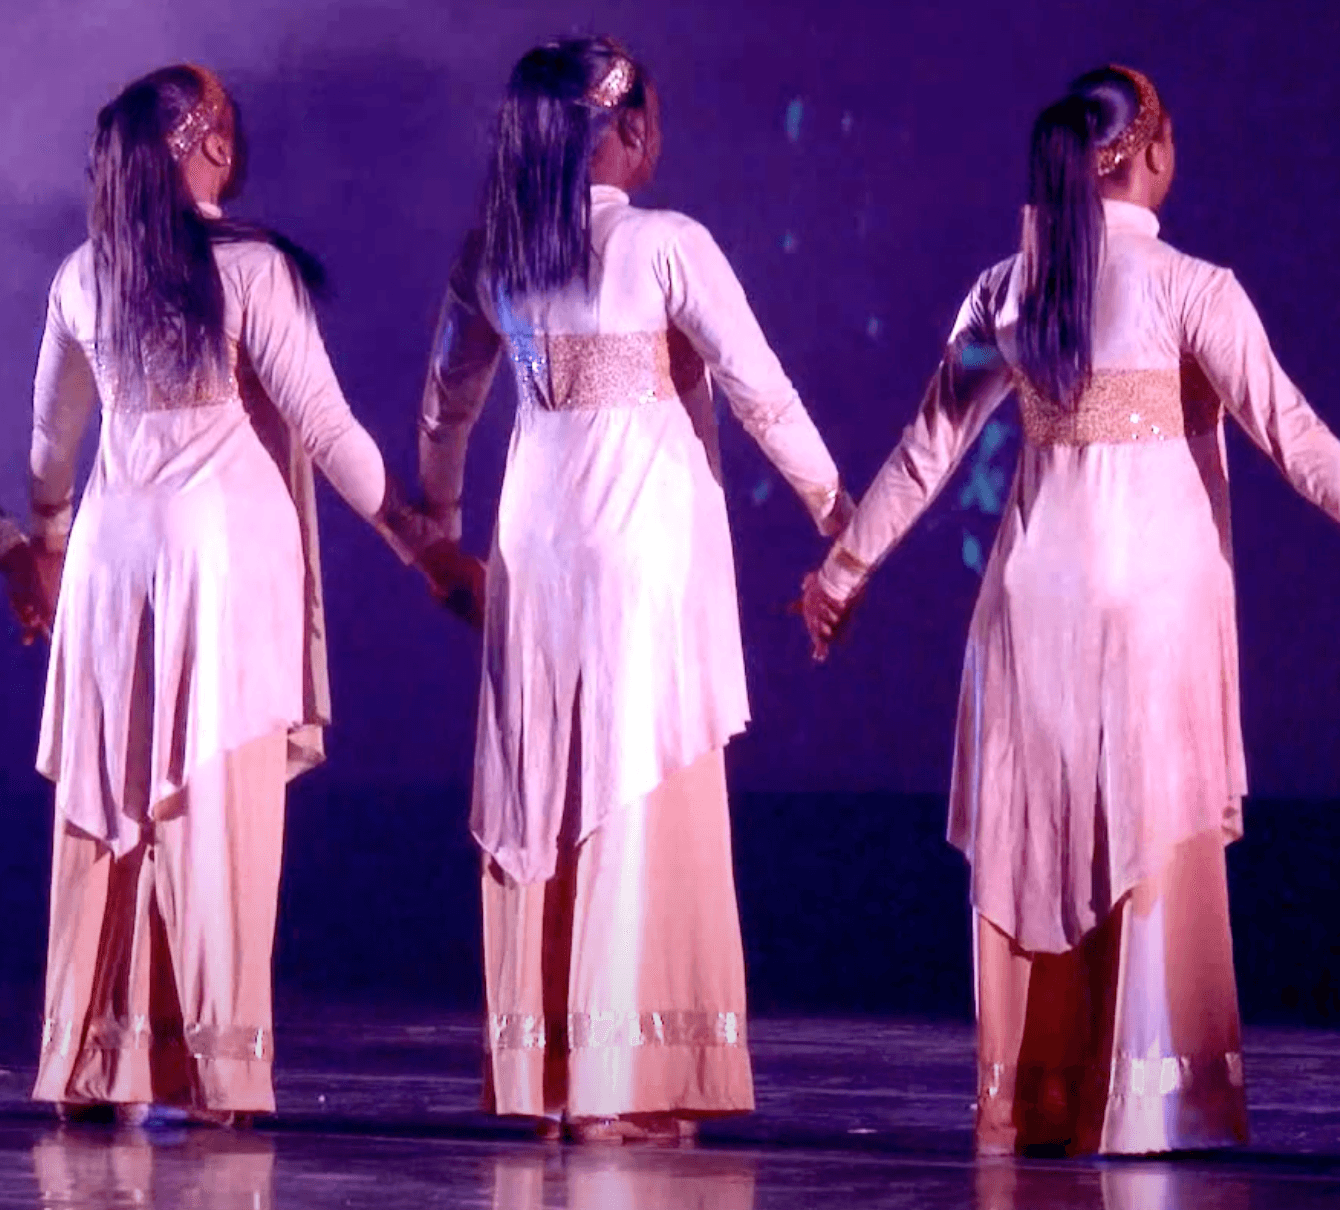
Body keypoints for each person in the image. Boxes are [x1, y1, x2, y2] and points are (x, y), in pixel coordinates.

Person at [800, 64, 1334, 1155]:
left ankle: (1037, 1097)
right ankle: (1146, 1100)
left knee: (1040, 841)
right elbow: (1294, 437)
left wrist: (839, 574)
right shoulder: (1191, 287)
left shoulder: (1010, 287)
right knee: (1147, 834)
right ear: (1144, 152)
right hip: (1150, 608)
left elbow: (925, 452)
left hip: (1030, 606)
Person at [417, 37, 851, 1141]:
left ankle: (549, 1075)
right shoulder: (665, 243)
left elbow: (444, 408)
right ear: (627, 129)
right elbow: (758, 385)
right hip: (637, 539)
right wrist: (834, 507)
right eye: (648, 116)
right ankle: (623, 1081)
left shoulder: (495, 252)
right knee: (633, 779)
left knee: (548, 780)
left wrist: (442, 532)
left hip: (535, 539)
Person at [28, 64, 439, 1126]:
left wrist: (46, 547)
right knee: (215, 806)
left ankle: (93, 1059)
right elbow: (328, 427)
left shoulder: (84, 276)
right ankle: (217, 1075)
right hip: (222, 558)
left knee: (117, 801)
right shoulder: (252, 268)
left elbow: (48, 448)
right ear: (206, 141)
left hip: (112, 562)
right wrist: (422, 547)